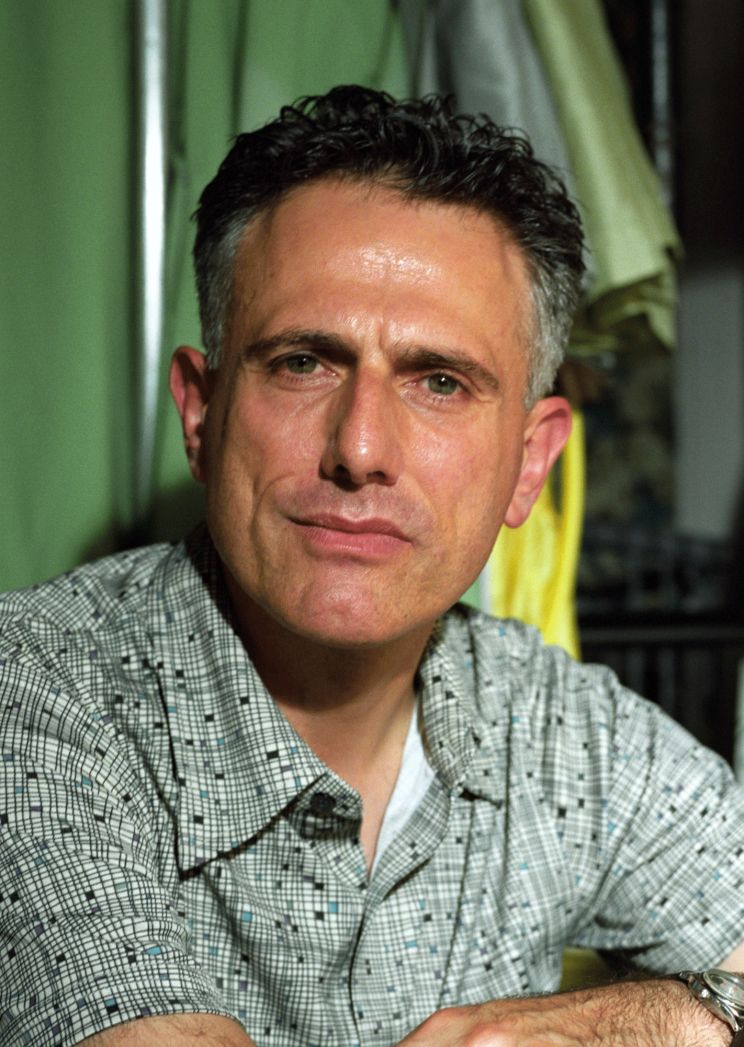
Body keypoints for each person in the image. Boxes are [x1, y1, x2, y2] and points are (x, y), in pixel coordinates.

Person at [1, 85, 743, 1047]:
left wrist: (657, 1018)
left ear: (530, 464)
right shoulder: (44, 687)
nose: (359, 448)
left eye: (440, 381)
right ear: (200, 412)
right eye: (303, 362)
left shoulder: (557, 729)